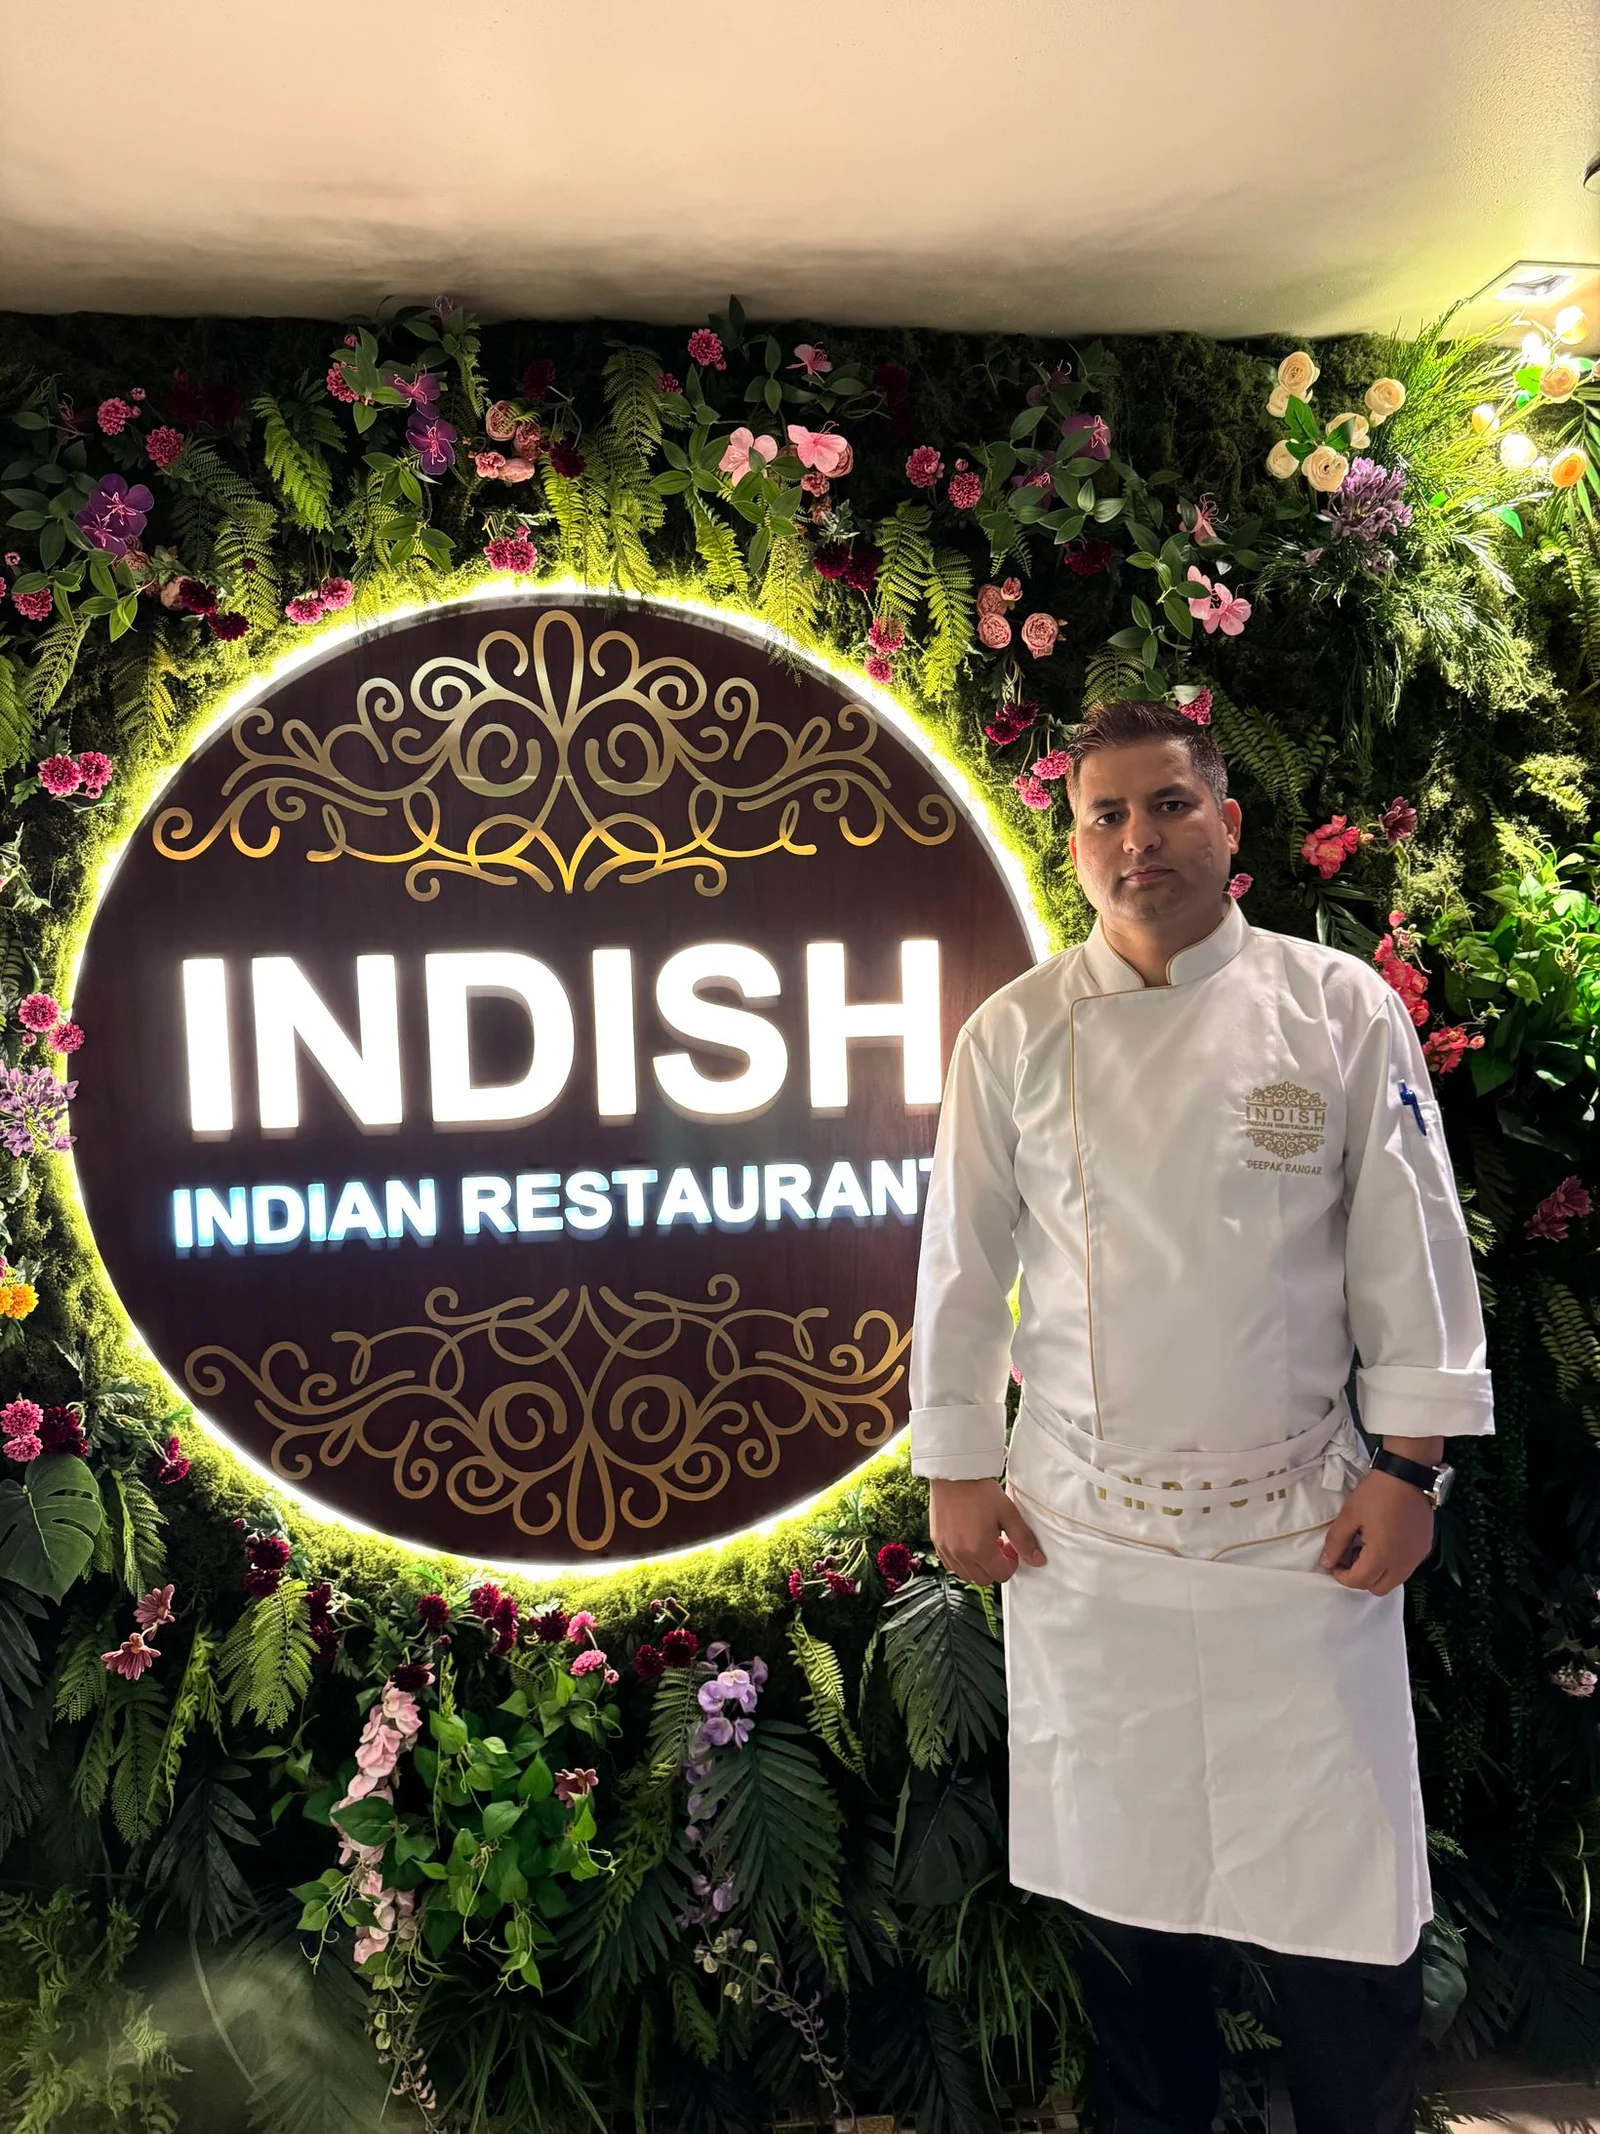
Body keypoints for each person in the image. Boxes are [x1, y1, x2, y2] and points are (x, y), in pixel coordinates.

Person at [907, 699, 1493, 2134]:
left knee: (1342, 1922)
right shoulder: (1014, 1033)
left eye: (1168, 805)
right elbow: (963, 1266)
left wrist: (1411, 1466)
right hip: (1087, 1542)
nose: (1139, 838)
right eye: (1105, 814)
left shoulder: (1334, 1008)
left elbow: (1409, 1247)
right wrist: (957, 1465)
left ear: (1228, 824)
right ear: (1075, 846)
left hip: (1301, 1534)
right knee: (1131, 1931)